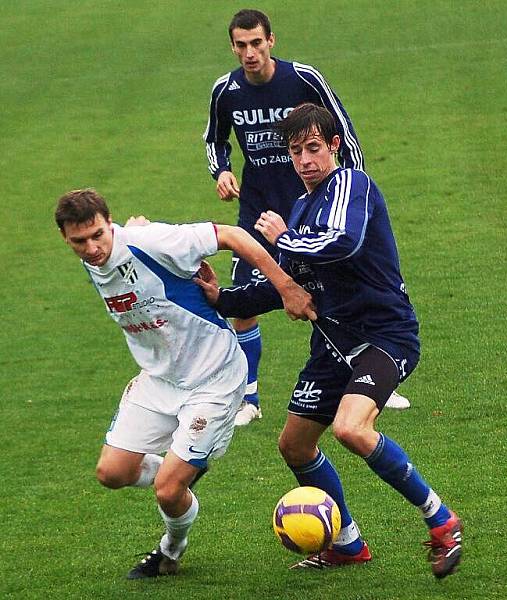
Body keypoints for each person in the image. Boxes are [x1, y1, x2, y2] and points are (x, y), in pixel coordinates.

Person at [195, 104, 462, 578]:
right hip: (332, 347)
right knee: (294, 446)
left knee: (351, 429)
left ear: (334, 146)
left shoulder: (350, 186)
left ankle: (442, 521)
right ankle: (346, 544)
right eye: (296, 152)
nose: (305, 160)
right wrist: (222, 297)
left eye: (314, 148)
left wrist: (283, 240)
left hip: (384, 335)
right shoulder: (302, 207)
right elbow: (288, 284)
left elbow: (344, 242)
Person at [55, 189, 315, 579]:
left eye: (99, 235)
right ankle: (182, 466)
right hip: (159, 379)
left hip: (213, 377)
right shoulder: (94, 260)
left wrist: (286, 286)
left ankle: (169, 551)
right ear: (66, 238)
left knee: (167, 490)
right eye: (80, 242)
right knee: (111, 474)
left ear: (111, 224)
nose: (92, 248)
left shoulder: (150, 242)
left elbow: (231, 234)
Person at [204, 8, 408, 424]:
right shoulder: (226, 91)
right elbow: (215, 139)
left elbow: (344, 133)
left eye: (256, 43)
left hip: (313, 205)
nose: (250, 53)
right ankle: (249, 398)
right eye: (241, 46)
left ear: (271, 41)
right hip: (260, 213)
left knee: (340, 285)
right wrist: (221, 170)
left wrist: (352, 192)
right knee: (248, 296)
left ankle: (373, 377)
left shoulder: (304, 79)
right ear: (233, 47)